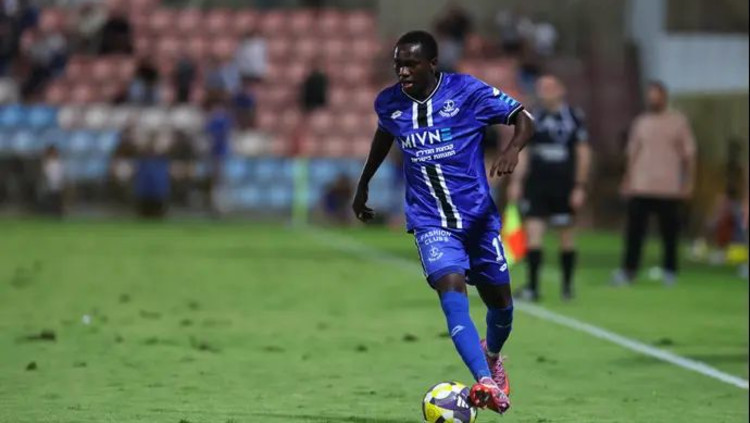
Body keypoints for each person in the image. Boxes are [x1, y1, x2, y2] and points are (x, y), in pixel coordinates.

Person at [352, 31, 534, 415]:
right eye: (398, 64)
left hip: (478, 220)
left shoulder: (466, 92)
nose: (402, 71)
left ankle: (492, 356)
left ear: (432, 64)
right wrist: (364, 182)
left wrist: (513, 148)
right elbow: (384, 136)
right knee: (451, 291)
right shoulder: (388, 103)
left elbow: (524, 118)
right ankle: (485, 381)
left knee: (502, 308)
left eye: (411, 64)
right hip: (430, 221)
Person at [507, 75, 591, 301]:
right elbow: (523, 151)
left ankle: (567, 287)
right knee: (534, 233)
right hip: (537, 184)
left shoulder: (573, 117)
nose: (545, 91)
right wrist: (516, 182)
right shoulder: (532, 116)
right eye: (541, 87)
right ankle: (533, 287)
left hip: (564, 184)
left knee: (566, 234)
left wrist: (580, 186)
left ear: (561, 90)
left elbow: (583, 152)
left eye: (550, 87)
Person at [612, 81, 696, 286]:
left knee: (670, 233)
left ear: (664, 97)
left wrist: (688, 182)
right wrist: (627, 179)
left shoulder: (678, 122)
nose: (652, 99)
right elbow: (632, 153)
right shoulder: (641, 122)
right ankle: (629, 271)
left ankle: (670, 271)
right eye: (650, 96)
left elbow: (689, 155)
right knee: (634, 232)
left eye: (656, 96)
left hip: (668, 187)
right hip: (641, 185)